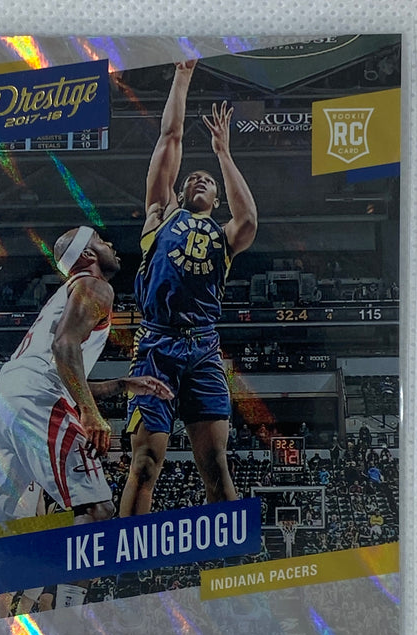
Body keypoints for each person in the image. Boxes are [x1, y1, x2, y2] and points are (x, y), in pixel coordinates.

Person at [121, 60, 258, 516]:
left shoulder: (225, 236)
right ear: (180, 192)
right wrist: (182, 76)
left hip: (202, 348)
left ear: (217, 200)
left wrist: (224, 153)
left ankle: (233, 559)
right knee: (145, 462)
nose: (200, 179)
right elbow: (170, 137)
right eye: (193, 178)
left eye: (210, 182)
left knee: (216, 466)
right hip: (156, 346)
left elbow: (249, 219)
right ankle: (127, 556)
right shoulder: (160, 214)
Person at [0, 226, 172, 527]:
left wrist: (121, 384)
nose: (110, 243)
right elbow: (64, 345)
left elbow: (57, 373)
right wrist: (90, 413)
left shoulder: (62, 297)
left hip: (0, 399)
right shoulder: (94, 284)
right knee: (96, 508)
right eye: (101, 240)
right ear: (88, 254)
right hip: (36, 396)